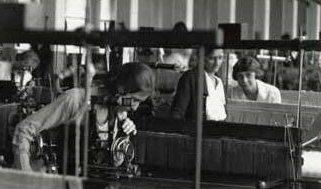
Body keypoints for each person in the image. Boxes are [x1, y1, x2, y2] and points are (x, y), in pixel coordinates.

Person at [12, 62, 155, 172]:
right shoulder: (75, 100)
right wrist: (26, 176)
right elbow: (23, 130)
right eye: (135, 100)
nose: (135, 107)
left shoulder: (118, 112)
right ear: (121, 90)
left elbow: (114, 163)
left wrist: (123, 139)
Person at [171, 48, 227, 121]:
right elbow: (177, 112)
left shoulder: (219, 82)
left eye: (220, 58)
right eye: (212, 58)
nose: (217, 63)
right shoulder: (190, 78)